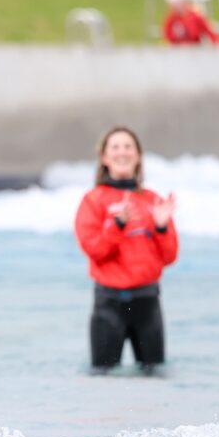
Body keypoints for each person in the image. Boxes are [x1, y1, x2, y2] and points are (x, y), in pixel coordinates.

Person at [74, 127, 178, 374]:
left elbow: (169, 257)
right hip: (109, 304)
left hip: (147, 302)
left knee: (155, 376)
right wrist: (118, 225)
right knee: (102, 378)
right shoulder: (93, 200)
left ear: (139, 156)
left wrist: (162, 228)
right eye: (115, 147)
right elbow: (94, 249)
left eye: (128, 146)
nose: (122, 152)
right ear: (104, 158)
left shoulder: (153, 200)